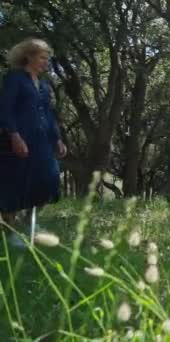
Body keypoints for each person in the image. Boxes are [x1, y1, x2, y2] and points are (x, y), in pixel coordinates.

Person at [0, 38, 67, 248]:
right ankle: (10, 232)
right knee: (16, 184)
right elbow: (6, 109)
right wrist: (14, 135)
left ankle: (31, 224)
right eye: (43, 58)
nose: (46, 62)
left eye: (47, 58)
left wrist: (57, 139)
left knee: (48, 180)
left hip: (43, 142)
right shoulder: (15, 78)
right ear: (28, 56)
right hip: (20, 140)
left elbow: (48, 114)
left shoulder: (45, 85)